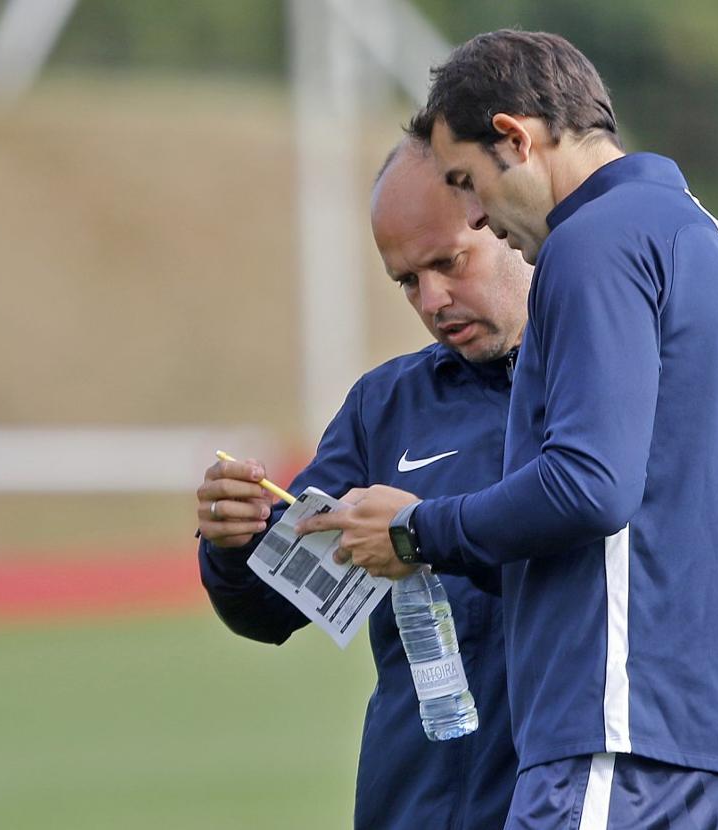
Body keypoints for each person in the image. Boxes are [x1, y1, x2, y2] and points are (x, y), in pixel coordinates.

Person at [297, 30, 718, 829]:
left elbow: (592, 486)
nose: (480, 212)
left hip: (616, 755)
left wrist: (419, 532)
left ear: (516, 139)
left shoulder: (592, 241)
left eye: (468, 181)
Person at [195, 138, 529, 830]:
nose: (432, 299)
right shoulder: (386, 406)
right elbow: (270, 609)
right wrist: (235, 543)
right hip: (409, 807)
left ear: (508, 227)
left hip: (562, 802)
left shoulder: (614, 389)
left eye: (447, 262)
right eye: (407, 280)